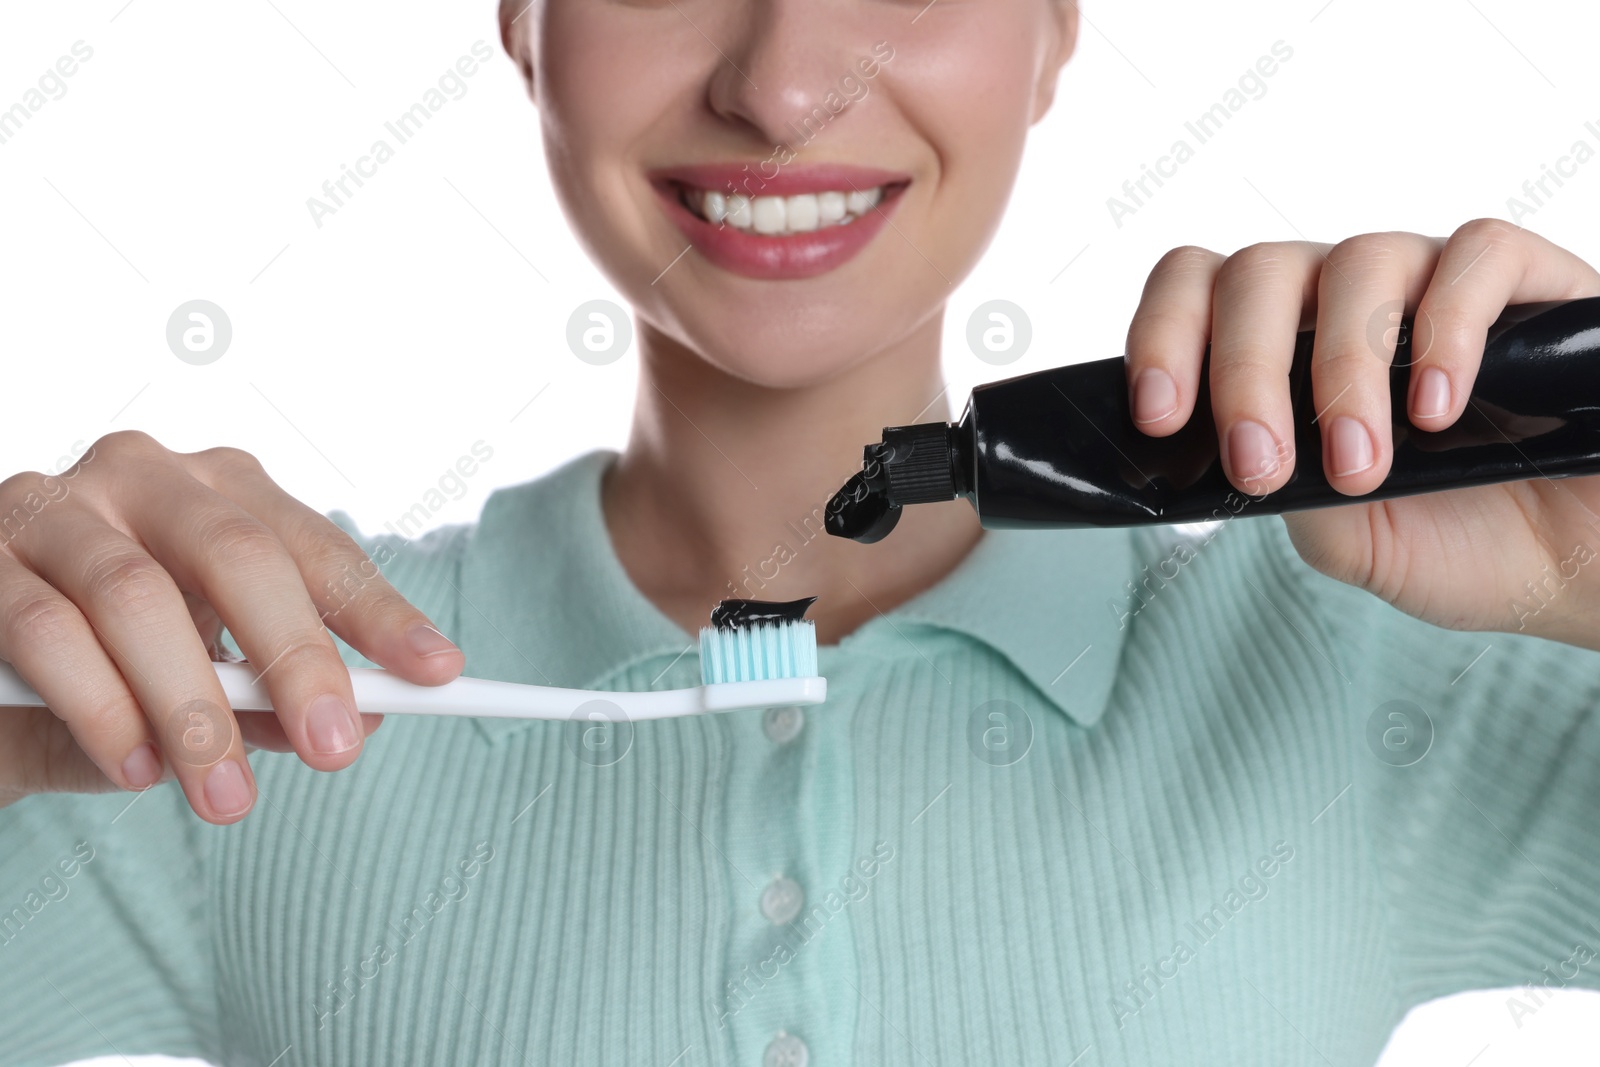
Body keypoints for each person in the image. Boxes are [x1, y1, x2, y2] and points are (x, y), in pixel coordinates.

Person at [4, 1, 1600, 1063]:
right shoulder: (223, 711)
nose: (779, 85)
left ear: (1052, 29)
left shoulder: (1377, 671)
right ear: (522, 21)